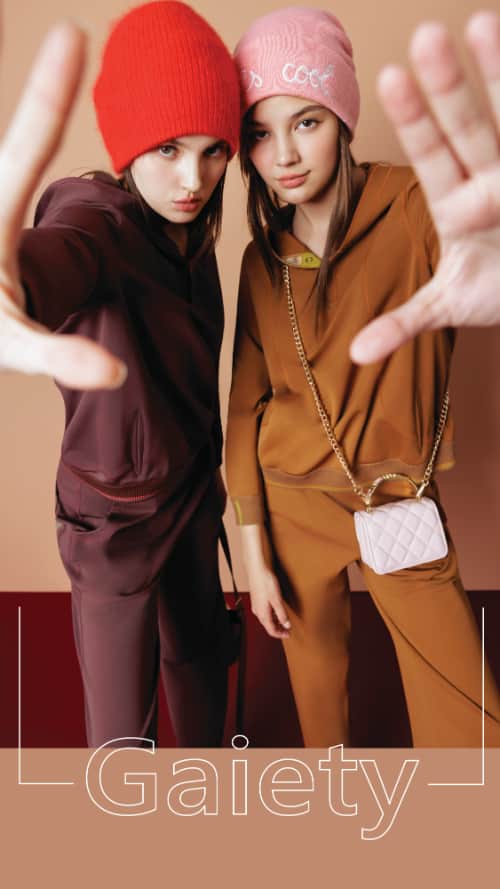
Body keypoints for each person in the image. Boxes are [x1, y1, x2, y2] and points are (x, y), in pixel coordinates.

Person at [225, 6, 500, 747]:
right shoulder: (261, 260)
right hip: (289, 507)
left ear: (343, 118)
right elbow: (245, 409)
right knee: (321, 722)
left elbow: (483, 245)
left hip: (398, 494)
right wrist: (254, 553)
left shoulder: (418, 205)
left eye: (307, 121)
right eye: (259, 132)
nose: (284, 154)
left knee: (468, 726)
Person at [4, 0, 242, 749]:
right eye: (168, 147)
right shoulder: (94, 223)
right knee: (121, 739)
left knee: (203, 671)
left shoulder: (193, 237)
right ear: (127, 142)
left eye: (214, 150)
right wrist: (13, 285)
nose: (193, 178)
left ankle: (208, 802)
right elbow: (53, 257)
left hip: (193, 492)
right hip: (113, 520)